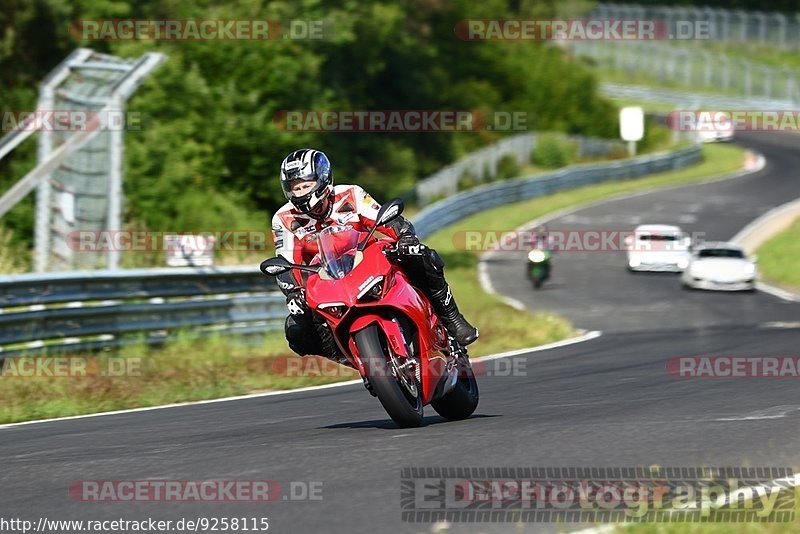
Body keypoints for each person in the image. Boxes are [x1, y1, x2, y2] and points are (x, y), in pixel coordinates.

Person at [271, 148, 478, 362]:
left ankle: (452, 319)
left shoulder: (350, 194)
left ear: (323, 179)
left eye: (306, 185)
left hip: (370, 258)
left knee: (421, 255)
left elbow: (388, 221)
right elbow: (286, 261)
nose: (301, 192)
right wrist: (294, 292)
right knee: (296, 330)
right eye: (295, 188)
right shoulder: (283, 219)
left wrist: (405, 238)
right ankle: (356, 359)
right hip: (328, 278)